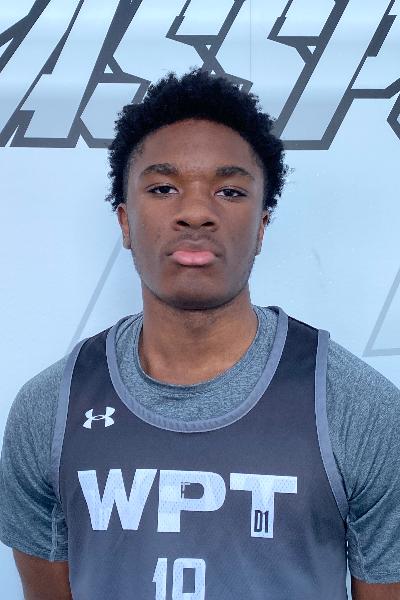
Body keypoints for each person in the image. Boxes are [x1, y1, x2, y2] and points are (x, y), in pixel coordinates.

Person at [0, 69, 399, 600]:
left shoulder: (358, 408)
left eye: (229, 190)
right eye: (163, 188)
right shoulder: (50, 409)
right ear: (124, 220)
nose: (195, 212)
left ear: (261, 226)